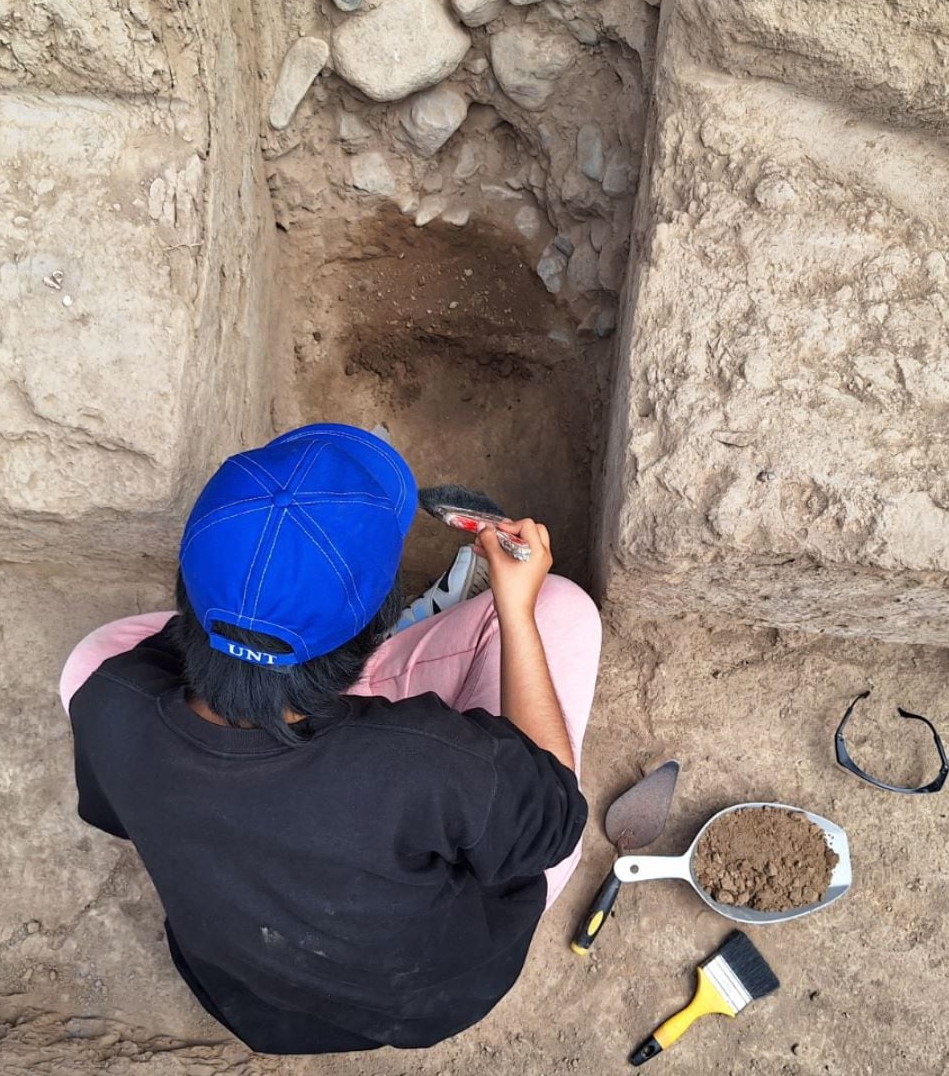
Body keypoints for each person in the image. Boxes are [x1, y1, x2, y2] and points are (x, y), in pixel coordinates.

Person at [60, 423, 601, 1054]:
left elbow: (120, 810)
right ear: (376, 627)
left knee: (92, 655)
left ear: (186, 587)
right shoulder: (429, 761)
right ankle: (411, 642)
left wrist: (255, 630)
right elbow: (557, 815)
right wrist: (516, 606)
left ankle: (286, 646)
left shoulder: (110, 706)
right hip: (431, 996)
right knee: (560, 609)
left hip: (245, 999)